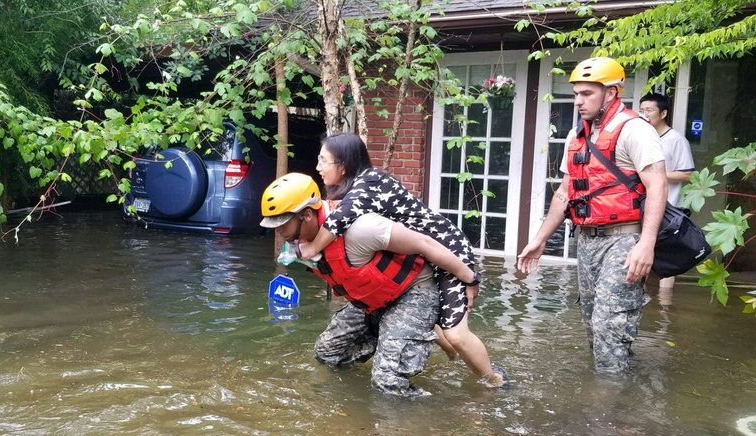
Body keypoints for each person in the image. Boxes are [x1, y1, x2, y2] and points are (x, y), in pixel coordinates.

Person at [295, 133, 506, 388]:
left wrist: (471, 278)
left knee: (456, 333)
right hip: (426, 253)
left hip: (447, 249)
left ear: (344, 165)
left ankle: (494, 380)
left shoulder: (369, 182)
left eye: (323, 160)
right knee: (439, 323)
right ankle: (450, 356)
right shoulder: (355, 188)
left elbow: (337, 222)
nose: (318, 167)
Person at [260, 173, 494, 396]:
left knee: (387, 381)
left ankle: (443, 406)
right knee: (327, 353)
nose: (280, 234)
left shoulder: (361, 229)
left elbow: (426, 244)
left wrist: (470, 278)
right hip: (373, 301)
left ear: (307, 215)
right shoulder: (305, 244)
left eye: (283, 226)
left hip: (414, 291)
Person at [516, 57, 668, 373]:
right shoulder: (576, 137)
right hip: (586, 241)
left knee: (609, 325)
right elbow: (564, 193)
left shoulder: (634, 130)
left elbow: (657, 186)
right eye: (576, 93)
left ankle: (611, 396)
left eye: (587, 93)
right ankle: (617, 384)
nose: (578, 101)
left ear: (610, 92)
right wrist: (540, 240)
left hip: (624, 239)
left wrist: (646, 244)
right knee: (592, 325)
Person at [638, 92, 696, 290]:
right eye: (642, 110)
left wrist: (656, 175)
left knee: (666, 258)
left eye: (649, 110)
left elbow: (687, 175)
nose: (644, 114)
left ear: (663, 113)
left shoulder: (676, 140)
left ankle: (664, 304)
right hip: (641, 206)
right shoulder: (641, 138)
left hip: (668, 207)